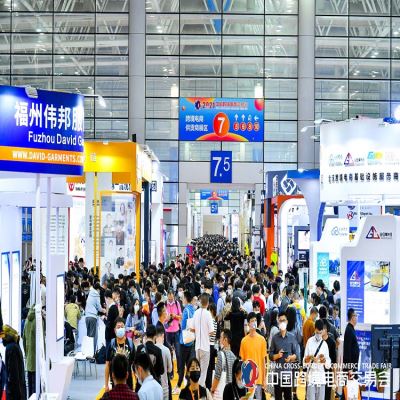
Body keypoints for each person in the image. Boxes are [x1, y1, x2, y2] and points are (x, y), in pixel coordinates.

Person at [269, 311, 300, 400]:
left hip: (287, 374)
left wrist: (291, 358)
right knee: (278, 397)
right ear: (278, 322)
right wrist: (277, 355)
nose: (282, 322)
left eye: (284, 320)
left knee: (288, 397)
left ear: (287, 321)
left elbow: (297, 355)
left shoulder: (292, 337)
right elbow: (270, 355)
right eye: (280, 320)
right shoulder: (275, 338)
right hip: (277, 374)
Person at [239, 312, 267, 400]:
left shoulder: (262, 340)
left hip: (259, 378)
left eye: (255, 320)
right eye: (252, 321)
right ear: (248, 323)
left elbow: (264, 361)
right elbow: (242, 362)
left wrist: (265, 379)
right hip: (247, 379)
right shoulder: (244, 341)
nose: (254, 322)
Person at [105, 318, 136, 392]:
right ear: (114, 330)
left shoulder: (130, 343)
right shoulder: (112, 344)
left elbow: (134, 364)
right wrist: (106, 384)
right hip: (115, 382)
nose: (120, 329)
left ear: (125, 329)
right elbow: (107, 365)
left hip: (128, 382)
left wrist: (137, 381)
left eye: (122, 327)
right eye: (118, 327)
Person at [303, 319, 331, 400]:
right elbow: (304, 361)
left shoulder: (324, 345)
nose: (318, 335)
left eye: (320, 333)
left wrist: (324, 360)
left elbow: (328, 365)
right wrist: (310, 357)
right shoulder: (309, 341)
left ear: (323, 331)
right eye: (317, 333)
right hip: (311, 376)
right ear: (315, 330)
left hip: (321, 377)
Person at [175, 290, 195, 395]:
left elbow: (183, 327)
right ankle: (188, 384)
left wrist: (180, 321)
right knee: (189, 364)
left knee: (181, 365)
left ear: (186, 299)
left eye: (183, 298)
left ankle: (179, 385)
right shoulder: (193, 309)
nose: (182, 299)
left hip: (184, 341)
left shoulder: (186, 310)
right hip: (191, 340)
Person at [192, 293, 214, 387]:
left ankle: (198, 389)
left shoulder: (196, 312)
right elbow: (212, 331)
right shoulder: (208, 314)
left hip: (197, 347)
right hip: (205, 347)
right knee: (203, 373)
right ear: (208, 303)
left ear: (200, 302)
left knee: (198, 371)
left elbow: (192, 329)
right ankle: (200, 391)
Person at [2, 325, 27, 400]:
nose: (1, 338)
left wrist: (11, 393)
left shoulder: (11, 348)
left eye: (2, 335)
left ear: (7, 335)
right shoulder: (14, 346)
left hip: (15, 393)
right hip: (18, 390)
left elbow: (13, 374)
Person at [211, 329, 237, 398]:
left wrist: (212, 390)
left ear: (225, 340)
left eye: (220, 337)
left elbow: (217, 375)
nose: (219, 340)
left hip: (222, 391)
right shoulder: (234, 357)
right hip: (231, 392)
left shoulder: (221, 354)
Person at [165, 289, 182, 379]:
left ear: (174, 296)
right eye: (169, 296)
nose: (170, 298)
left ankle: (179, 371)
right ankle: (171, 373)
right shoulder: (165, 304)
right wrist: (167, 318)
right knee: (169, 353)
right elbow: (163, 318)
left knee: (178, 353)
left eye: (172, 296)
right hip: (167, 332)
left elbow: (180, 317)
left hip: (176, 331)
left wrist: (175, 316)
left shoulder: (177, 303)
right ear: (167, 296)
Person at [85, 282, 105, 352]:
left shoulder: (90, 293)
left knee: (88, 335)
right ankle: (92, 352)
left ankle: (88, 351)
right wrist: (104, 310)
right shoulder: (96, 295)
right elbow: (99, 307)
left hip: (87, 316)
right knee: (93, 336)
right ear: (98, 289)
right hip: (93, 317)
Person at [155, 326, 173, 400]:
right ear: (163, 335)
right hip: (164, 386)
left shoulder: (151, 349)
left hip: (154, 387)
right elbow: (170, 370)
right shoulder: (166, 350)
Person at [322, 319, 337, 400]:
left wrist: (335, 378)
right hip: (318, 372)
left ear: (326, 329)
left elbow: (334, 361)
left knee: (327, 395)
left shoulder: (332, 342)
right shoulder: (317, 341)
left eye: (323, 328)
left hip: (328, 373)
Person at [23, 307, 36, 397]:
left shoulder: (27, 321)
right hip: (36, 357)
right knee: (36, 383)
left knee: (30, 382)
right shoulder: (37, 321)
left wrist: (26, 352)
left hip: (29, 356)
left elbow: (24, 338)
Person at [343, 308, 360, 375]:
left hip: (353, 365)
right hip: (350, 368)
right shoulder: (349, 330)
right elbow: (347, 350)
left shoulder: (351, 329)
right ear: (352, 317)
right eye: (356, 315)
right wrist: (349, 368)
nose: (357, 317)